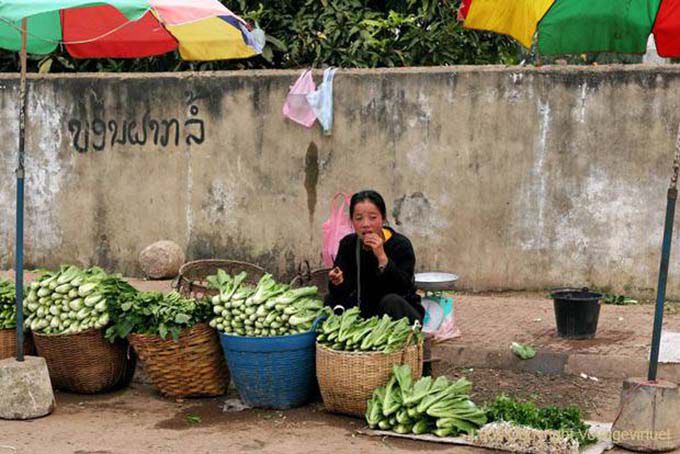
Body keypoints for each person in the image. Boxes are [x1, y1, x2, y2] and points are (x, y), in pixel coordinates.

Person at [325, 190, 424, 324]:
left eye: (372, 217)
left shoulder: (400, 245)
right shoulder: (348, 244)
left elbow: (403, 287)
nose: (366, 224)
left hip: (396, 314)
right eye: (359, 218)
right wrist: (338, 281)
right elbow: (340, 291)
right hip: (363, 312)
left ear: (383, 218)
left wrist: (382, 257)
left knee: (391, 301)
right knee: (329, 301)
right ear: (352, 221)